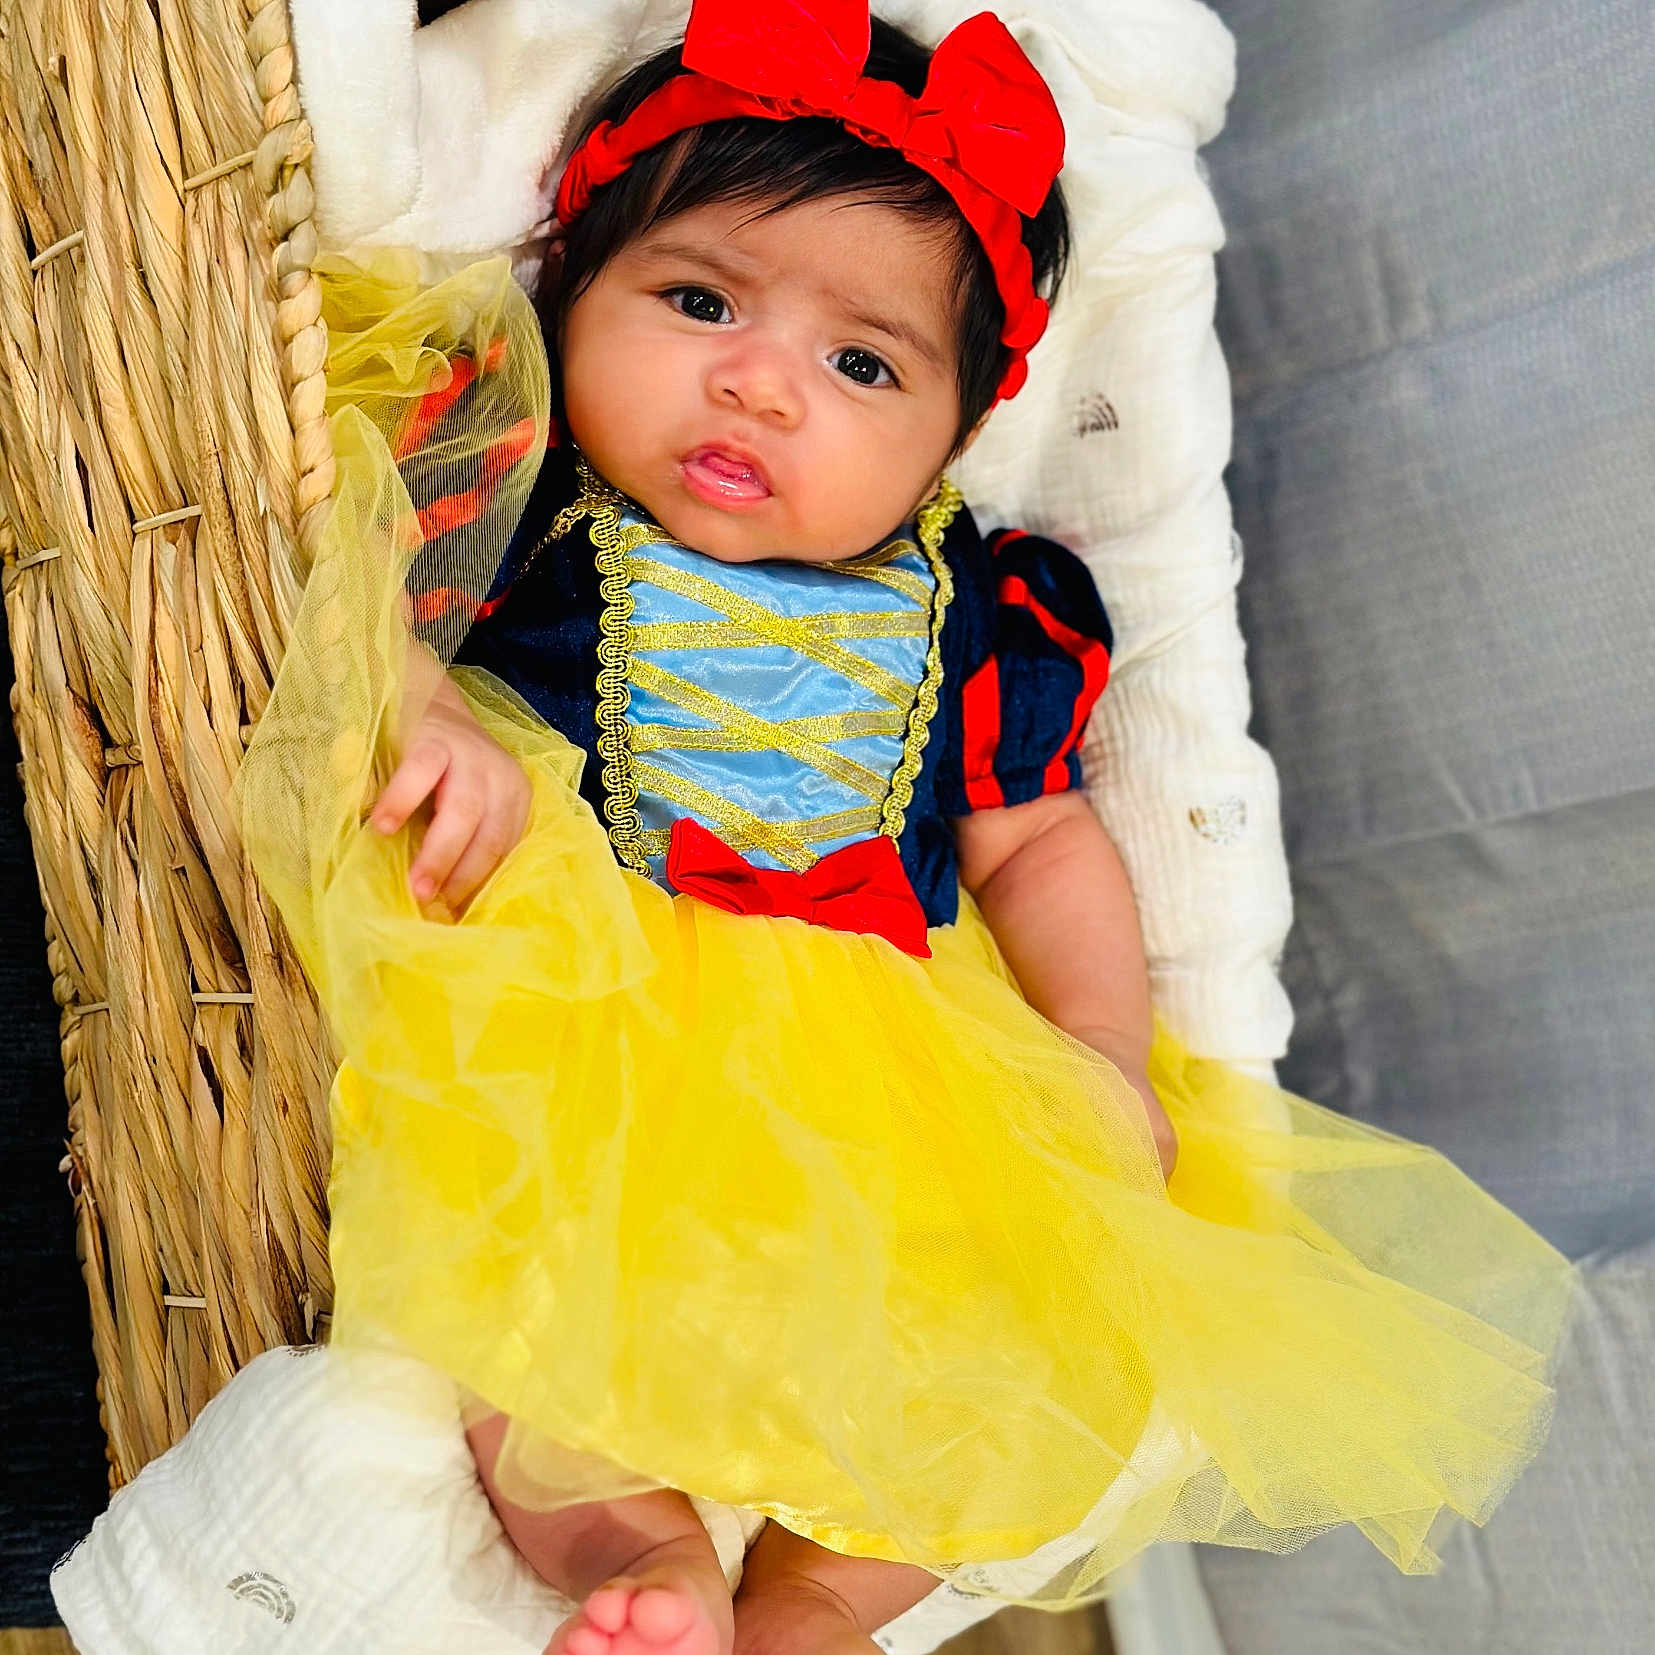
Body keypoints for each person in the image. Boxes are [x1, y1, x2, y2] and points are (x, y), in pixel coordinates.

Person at [238, 6, 1575, 1655]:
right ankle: (636, 1560)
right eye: (699, 299)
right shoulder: (520, 489)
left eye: (861, 363)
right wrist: (425, 705)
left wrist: (1098, 1047)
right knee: (525, 1337)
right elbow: (354, 577)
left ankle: (817, 1603)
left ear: (950, 440)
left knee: (1019, 1364)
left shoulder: (977, 615)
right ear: (570, 294)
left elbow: (1037, 845)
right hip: (576, 999)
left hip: (894, 1061)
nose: (759, 381)